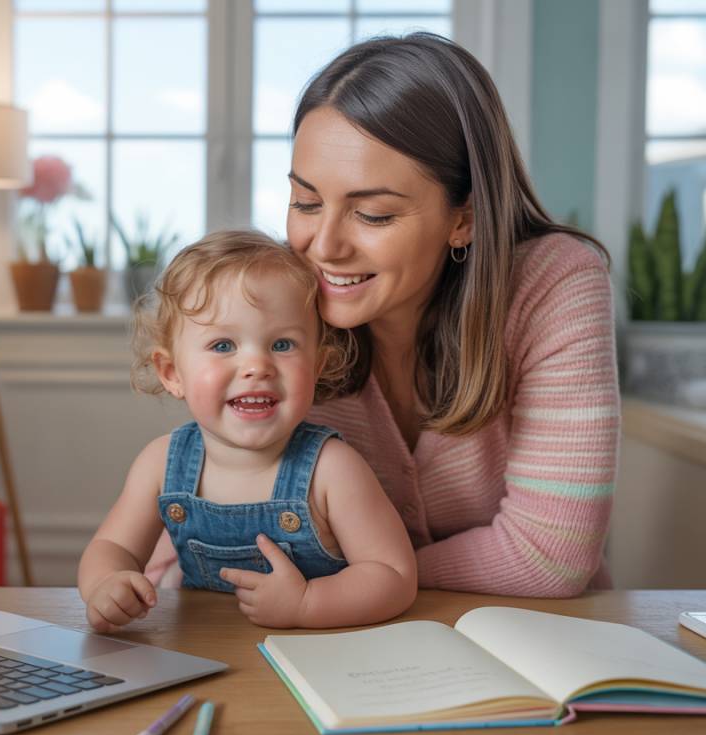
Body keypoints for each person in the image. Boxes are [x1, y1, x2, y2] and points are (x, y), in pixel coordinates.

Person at [146, 33, 619, 598]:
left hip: (530, 635)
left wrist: (378, 576)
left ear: (463, 218)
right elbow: (198, 515)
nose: (324, 246)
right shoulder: (278, 300)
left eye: (372, 214)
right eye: (305, 202)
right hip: (335, 635)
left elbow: (550, 556)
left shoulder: (554, 282)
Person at [78, 230, 417, 631]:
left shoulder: (332, 469)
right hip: (204, 652)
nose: (257, 365)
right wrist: (106, 583)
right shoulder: (161, 463)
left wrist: (308, 604)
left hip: (314, 657)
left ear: (318, 365)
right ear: (172, 373)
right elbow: (112, 547)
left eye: (283, 345)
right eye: (223, 345)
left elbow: (393, 575)